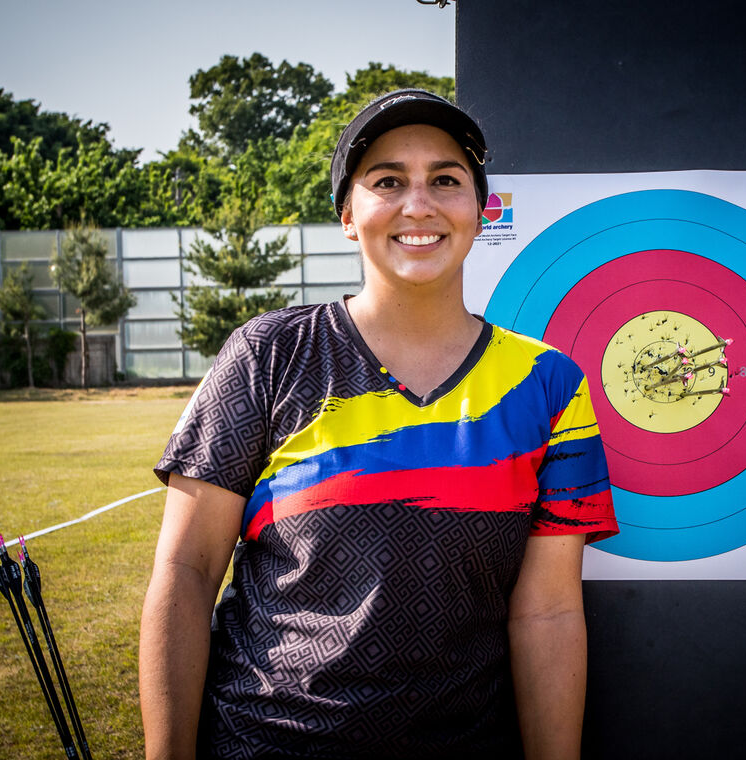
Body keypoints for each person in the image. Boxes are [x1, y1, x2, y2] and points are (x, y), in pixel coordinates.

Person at [139, 89, 618, 760]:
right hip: (265, 743)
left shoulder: (551, 384)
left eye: (445, 180)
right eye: (387, 181)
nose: (418, 204)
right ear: (347, 216)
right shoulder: (268, 354)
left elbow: (548, 611)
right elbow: (186, 572)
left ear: (480, 213)